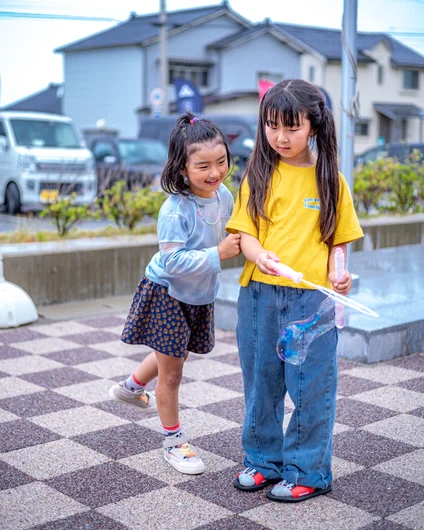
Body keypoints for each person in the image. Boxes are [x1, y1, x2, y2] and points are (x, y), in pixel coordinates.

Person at [226, 79, 364, 502]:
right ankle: (263, 462)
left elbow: (338, 241)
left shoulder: (332, 183)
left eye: (291, 127)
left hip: (312, 302)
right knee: (261, 384)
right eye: (271, 126)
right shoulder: (259, 173)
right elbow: (243, 234)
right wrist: (259, 254)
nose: (280, 138)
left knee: (310, 388)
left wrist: (339, 275)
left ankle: (308, 471)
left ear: (315, 127)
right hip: (259, 297)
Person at [109, 112, 241, 475]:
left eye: (221, 162)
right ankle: (173, 443)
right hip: (167, 291)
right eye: (203, 166)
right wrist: (219, 254)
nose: (214, 172)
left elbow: (234, 230)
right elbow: (173, 262)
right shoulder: (174, 210)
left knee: (174, 354)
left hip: (198, 293)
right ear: (183, 169)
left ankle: (129, 387)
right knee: (172, 373)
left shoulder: (223, 195)